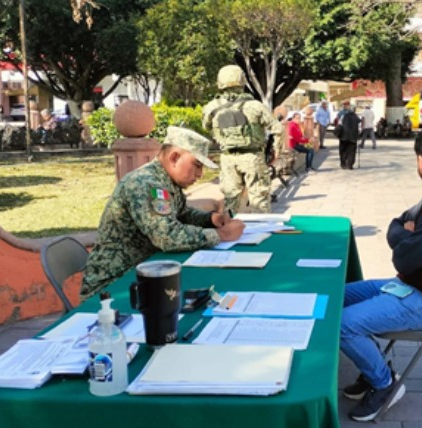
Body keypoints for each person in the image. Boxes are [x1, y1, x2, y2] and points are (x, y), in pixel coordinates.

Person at [339, 124, 422, 422]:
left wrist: (406, 238)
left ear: (421, 161)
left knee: (342, 324)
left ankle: (384, 384)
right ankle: (374, 366)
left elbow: (403, 258)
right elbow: (396, 223)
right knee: (334, 297)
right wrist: (407, 235)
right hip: (408, 286)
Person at [80, 126, 246, 299]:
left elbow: (182, 214)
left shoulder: (166, 181)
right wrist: (221, 235)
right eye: (197, 165)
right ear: (174, 157)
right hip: (114, 285)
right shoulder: (145, 183)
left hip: (146, 272)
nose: (199, 174)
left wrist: (211, 219)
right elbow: (167, 236)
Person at [203, 65, 283, 213]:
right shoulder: (255, 106)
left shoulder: (211, 107)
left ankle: (230, 230)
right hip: (253, 157)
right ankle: (262, 232)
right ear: (242, 81)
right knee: (259, 200)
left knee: (230, 201)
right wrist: (277, 151)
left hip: (227, 158)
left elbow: (206, 127)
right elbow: (278, 128)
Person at [334, 102, 360, 169]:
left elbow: (339, 125)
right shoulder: (356, 117)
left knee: (343, 150)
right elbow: (359, 126)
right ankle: (350, 164)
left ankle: (343, 164)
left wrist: (337, 133)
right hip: (353, 137)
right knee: (352, 151)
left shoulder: (342, 116)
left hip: (344, 136)